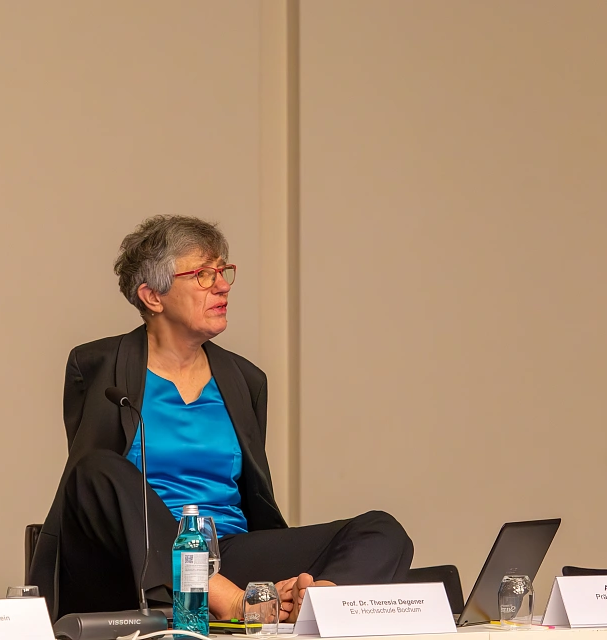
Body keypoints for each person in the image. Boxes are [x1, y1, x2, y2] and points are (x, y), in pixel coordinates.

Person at [29, 216, 414, 622]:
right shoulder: (98, 367)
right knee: (97, 468)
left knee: (382, 529)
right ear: (152, 296)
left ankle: (315, 609)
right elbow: (88, 491)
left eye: (223, 271)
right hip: (136, 562)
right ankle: (228, 602)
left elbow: (253, 493)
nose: (223, 285)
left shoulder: (245, 380)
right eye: (203, 275)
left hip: (228, 551)